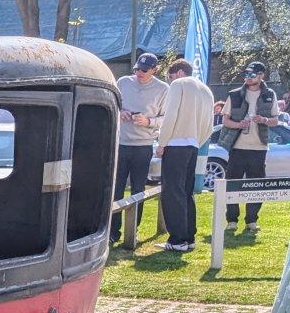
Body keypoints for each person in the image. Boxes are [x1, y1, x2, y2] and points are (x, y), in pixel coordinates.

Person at [155, 59, 215, 252]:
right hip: (194, 144)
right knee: (187, 192)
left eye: (170, 76)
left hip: (175, 144)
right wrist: (198, 139)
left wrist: (162, 142)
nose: (170, 80)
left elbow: (171, 114)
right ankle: (189, 237)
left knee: (172, 192)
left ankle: (177, 239)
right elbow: (209, 123)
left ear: (179, 73)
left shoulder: (178, 85)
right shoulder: (206, 90)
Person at [111, 53, 167, 246]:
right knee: (116, 187)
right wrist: (121, 113)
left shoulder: (162, 89)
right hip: (121, 143)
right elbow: (112, 105)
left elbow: (165, 118)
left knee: (138, 189)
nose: (139, 73)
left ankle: (132, 230)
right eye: (137, 69)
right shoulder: (123, 82)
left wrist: (148, 121)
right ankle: (113, 231)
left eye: (144, 70)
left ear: (154, 70)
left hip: (143, 146)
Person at [220, 61, 278, 233]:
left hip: (259, 148)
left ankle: (251, 221)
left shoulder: (270, 95)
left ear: (261, 76)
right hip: (237, 147)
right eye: (246, 74)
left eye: (252, 75)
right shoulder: (234, 94)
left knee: (257, 185)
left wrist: (264, 120)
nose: (248, 78)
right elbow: (225, 120)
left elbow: (275, 120)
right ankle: (232, 221)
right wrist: (238, 125)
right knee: (232, 184)